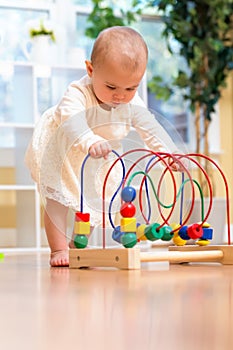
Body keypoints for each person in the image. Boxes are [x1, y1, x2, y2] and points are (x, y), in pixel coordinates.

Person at [25, 26, 181, 267]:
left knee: (89, 202)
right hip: (63, 148)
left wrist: (168, 153)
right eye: (111, 87)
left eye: (131, 88)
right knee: (57, 199)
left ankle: (76, 247)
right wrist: (90, 140)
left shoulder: (131, 103)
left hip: (96, 156)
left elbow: (151, 128)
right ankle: (57, 249)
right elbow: (70, 119)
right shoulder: (78, 92)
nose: (120, 96)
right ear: (90, 69)